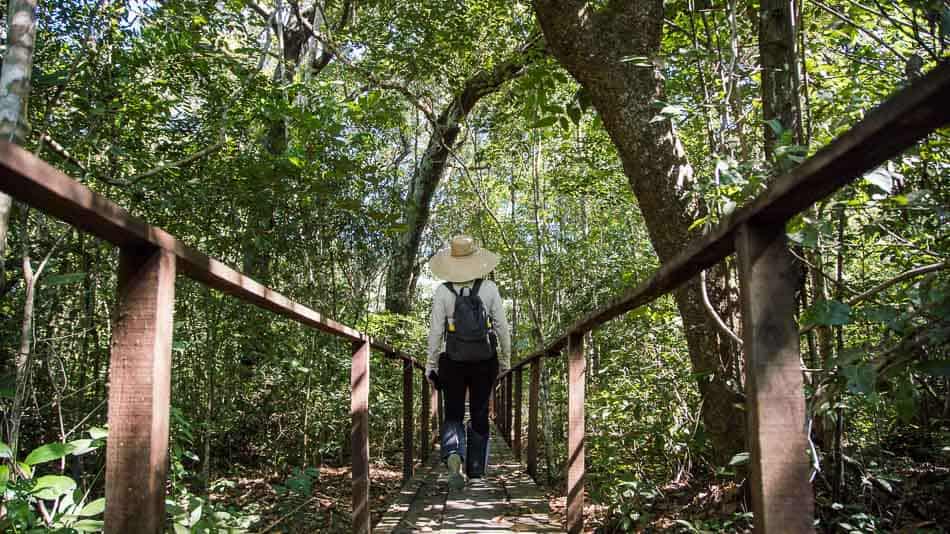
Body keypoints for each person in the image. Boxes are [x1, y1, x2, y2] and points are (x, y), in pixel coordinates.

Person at [426, 235, 511, 490]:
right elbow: (502, 328)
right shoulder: (489, 289)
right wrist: (505, 360)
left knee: (453, 412)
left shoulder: (443, 291)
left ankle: (453, 455)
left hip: (452, 360)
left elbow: (435, 332)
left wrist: (431, 365)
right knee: (479, 411)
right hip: (484, 360)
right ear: (476, 260)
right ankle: (476, 470)